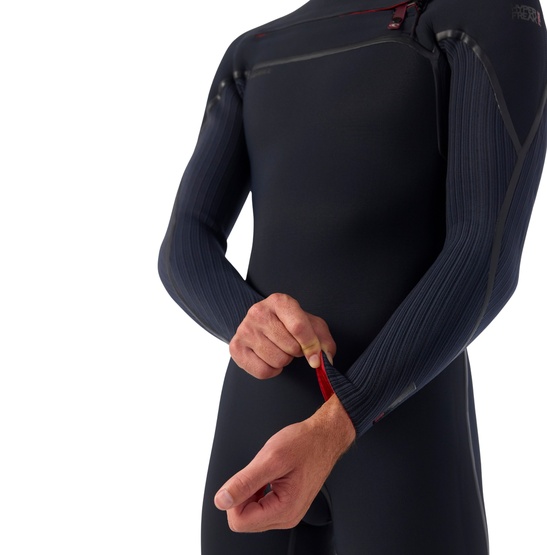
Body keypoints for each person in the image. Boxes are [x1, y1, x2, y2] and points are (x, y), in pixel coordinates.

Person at [159, 0, 547, 552]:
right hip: (257, 439)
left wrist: (337, 425)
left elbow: (483, 253)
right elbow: (184, 244)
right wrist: (246, 318)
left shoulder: (481, 14)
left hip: (401, 450)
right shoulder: (252, 52)